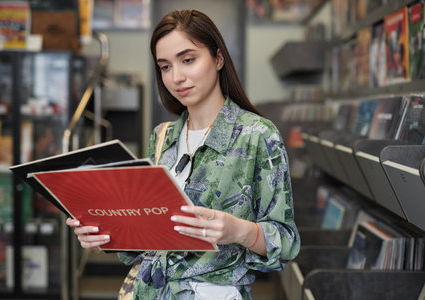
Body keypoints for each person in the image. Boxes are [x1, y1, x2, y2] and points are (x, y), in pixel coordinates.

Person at [66, 9, 300, 300]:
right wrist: (104, 233)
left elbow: (286, 241)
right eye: (165, 67)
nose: (177, 77)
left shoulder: (258, 134)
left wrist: (239, 231)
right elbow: (148, 237)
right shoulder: (162, 136)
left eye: (188, 60)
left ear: (218, 58)